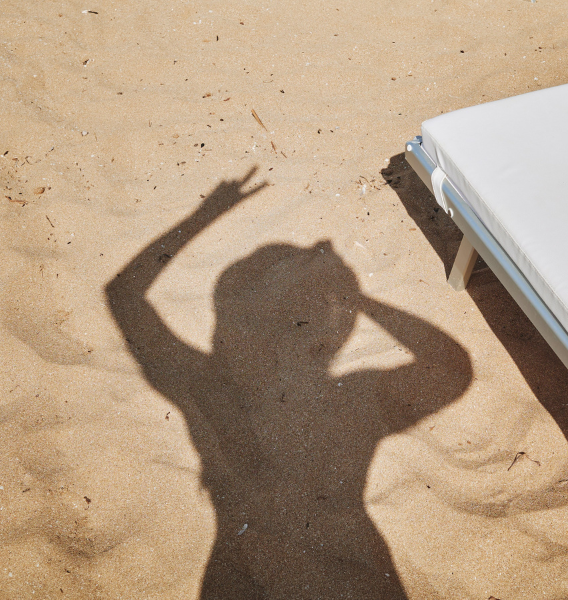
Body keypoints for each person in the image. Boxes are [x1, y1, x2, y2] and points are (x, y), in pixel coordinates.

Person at [106, 168, 473, 599]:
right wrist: (359, 300)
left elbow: (124, 296)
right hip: (355, 575)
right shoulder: (358, 398)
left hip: (240, 573)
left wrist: (206, 215)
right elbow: (453, 367)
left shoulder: (209, 387)